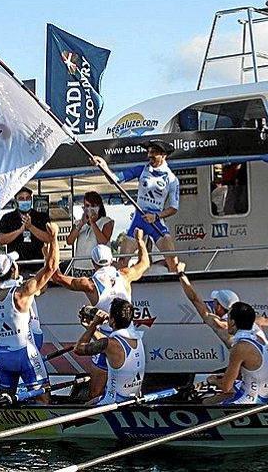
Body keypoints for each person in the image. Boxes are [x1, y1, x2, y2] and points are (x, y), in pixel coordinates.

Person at [0, 222, 59, 401]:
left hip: (3, 356)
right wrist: (53, 238)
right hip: (25, 353)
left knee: (7, 400)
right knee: (44, 399)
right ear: (14, 269)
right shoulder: (22, 292)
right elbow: (51, 268)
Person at [50, 229, 150, 399]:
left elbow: (56, 276)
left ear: (93, 263)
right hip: (129, 340)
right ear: (111, 260)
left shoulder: (89, 284)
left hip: (104, 341)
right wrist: (140, 240)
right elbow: (145, 262)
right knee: (130, 389)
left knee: (94, 391)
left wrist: (52, 241)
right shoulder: (125, 275)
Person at [175, 262, 268, 388]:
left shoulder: (219, 324)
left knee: (221, 388)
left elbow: (195, 299)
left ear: (218, 306)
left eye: (215, 302)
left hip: (263, 380)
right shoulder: (254, 319)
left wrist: (181, 274)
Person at [90, 139, 180, 272]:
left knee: (173, 262)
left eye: (154, 152)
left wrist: (156, 216)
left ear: (163, 154)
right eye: (148, 152)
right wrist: (103, 166)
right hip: (139, 220)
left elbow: (174, 208)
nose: (149, 155)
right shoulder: (141, 170)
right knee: (123, 262)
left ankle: (178, 288)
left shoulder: (172, 179)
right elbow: (115, 180)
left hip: (156, 222)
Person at [204, 302, 268, 405]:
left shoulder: (240, 347)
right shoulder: (258, 337)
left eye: (228, 318)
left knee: (206, 403)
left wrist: (213, 380)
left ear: (232, 322)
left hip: (251, 400)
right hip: (261, 392)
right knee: (211, 399)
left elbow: (225, 386)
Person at [73, 299, 145, 405]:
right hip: (133, 398)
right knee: (88, 404)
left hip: (113, 402)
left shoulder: (110, 344)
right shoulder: (136, 338)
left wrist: (94, 325)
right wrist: (91, 328)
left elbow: (78, 349)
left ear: (112, 320)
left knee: (84, 408)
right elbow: (108, 344)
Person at [0, 187, 52, 276]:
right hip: (15, 267)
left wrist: (30, 227)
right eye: (21, 199)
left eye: (28, 198)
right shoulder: (7, 218)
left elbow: (49, 238)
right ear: (16, 201)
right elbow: (0, 240)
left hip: (38, 266)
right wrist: (19, 231)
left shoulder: (42, 217)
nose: (25, 201)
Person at [66, 191, 114, 275]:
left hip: (98, 266)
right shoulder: (78, 223)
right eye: (87, 206)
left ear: (99, 207)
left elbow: (103, 242)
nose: (90, 208)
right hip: (79, 266)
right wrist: (81, 224)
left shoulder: (106, 222)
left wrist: (92, 223)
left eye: (93, 206)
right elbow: (69, 241)